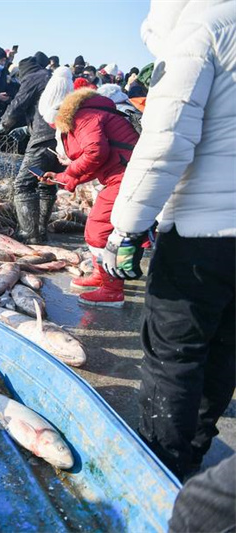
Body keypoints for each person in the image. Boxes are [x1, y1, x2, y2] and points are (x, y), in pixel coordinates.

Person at [102, 0, 235, 482]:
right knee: (225, 349)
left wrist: (127, 227)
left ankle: (161, 472)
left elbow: (166, 140)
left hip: (203, 235)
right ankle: (193, 460)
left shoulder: (204, 28)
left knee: (175, 355)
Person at [39, 88, 139, 306]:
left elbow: (95, 153)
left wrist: (70, 171)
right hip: (122, 175)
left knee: (98, 230)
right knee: (101, 229)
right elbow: (99, 160)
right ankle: (102, 275)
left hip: (127, 177)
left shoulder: (84, 117)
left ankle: (112, 290)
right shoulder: (89, 113)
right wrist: (62, 178)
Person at [0, 55, 62, 243]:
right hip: (59, 138)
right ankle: (40, 229)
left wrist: (4, 124)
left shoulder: (33, 77)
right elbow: (45, 111)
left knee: (23, 184)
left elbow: (18, 103)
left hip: (42, 141)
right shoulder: (51, 77)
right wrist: (27, 129)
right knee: (46, 181)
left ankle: (29, 234)